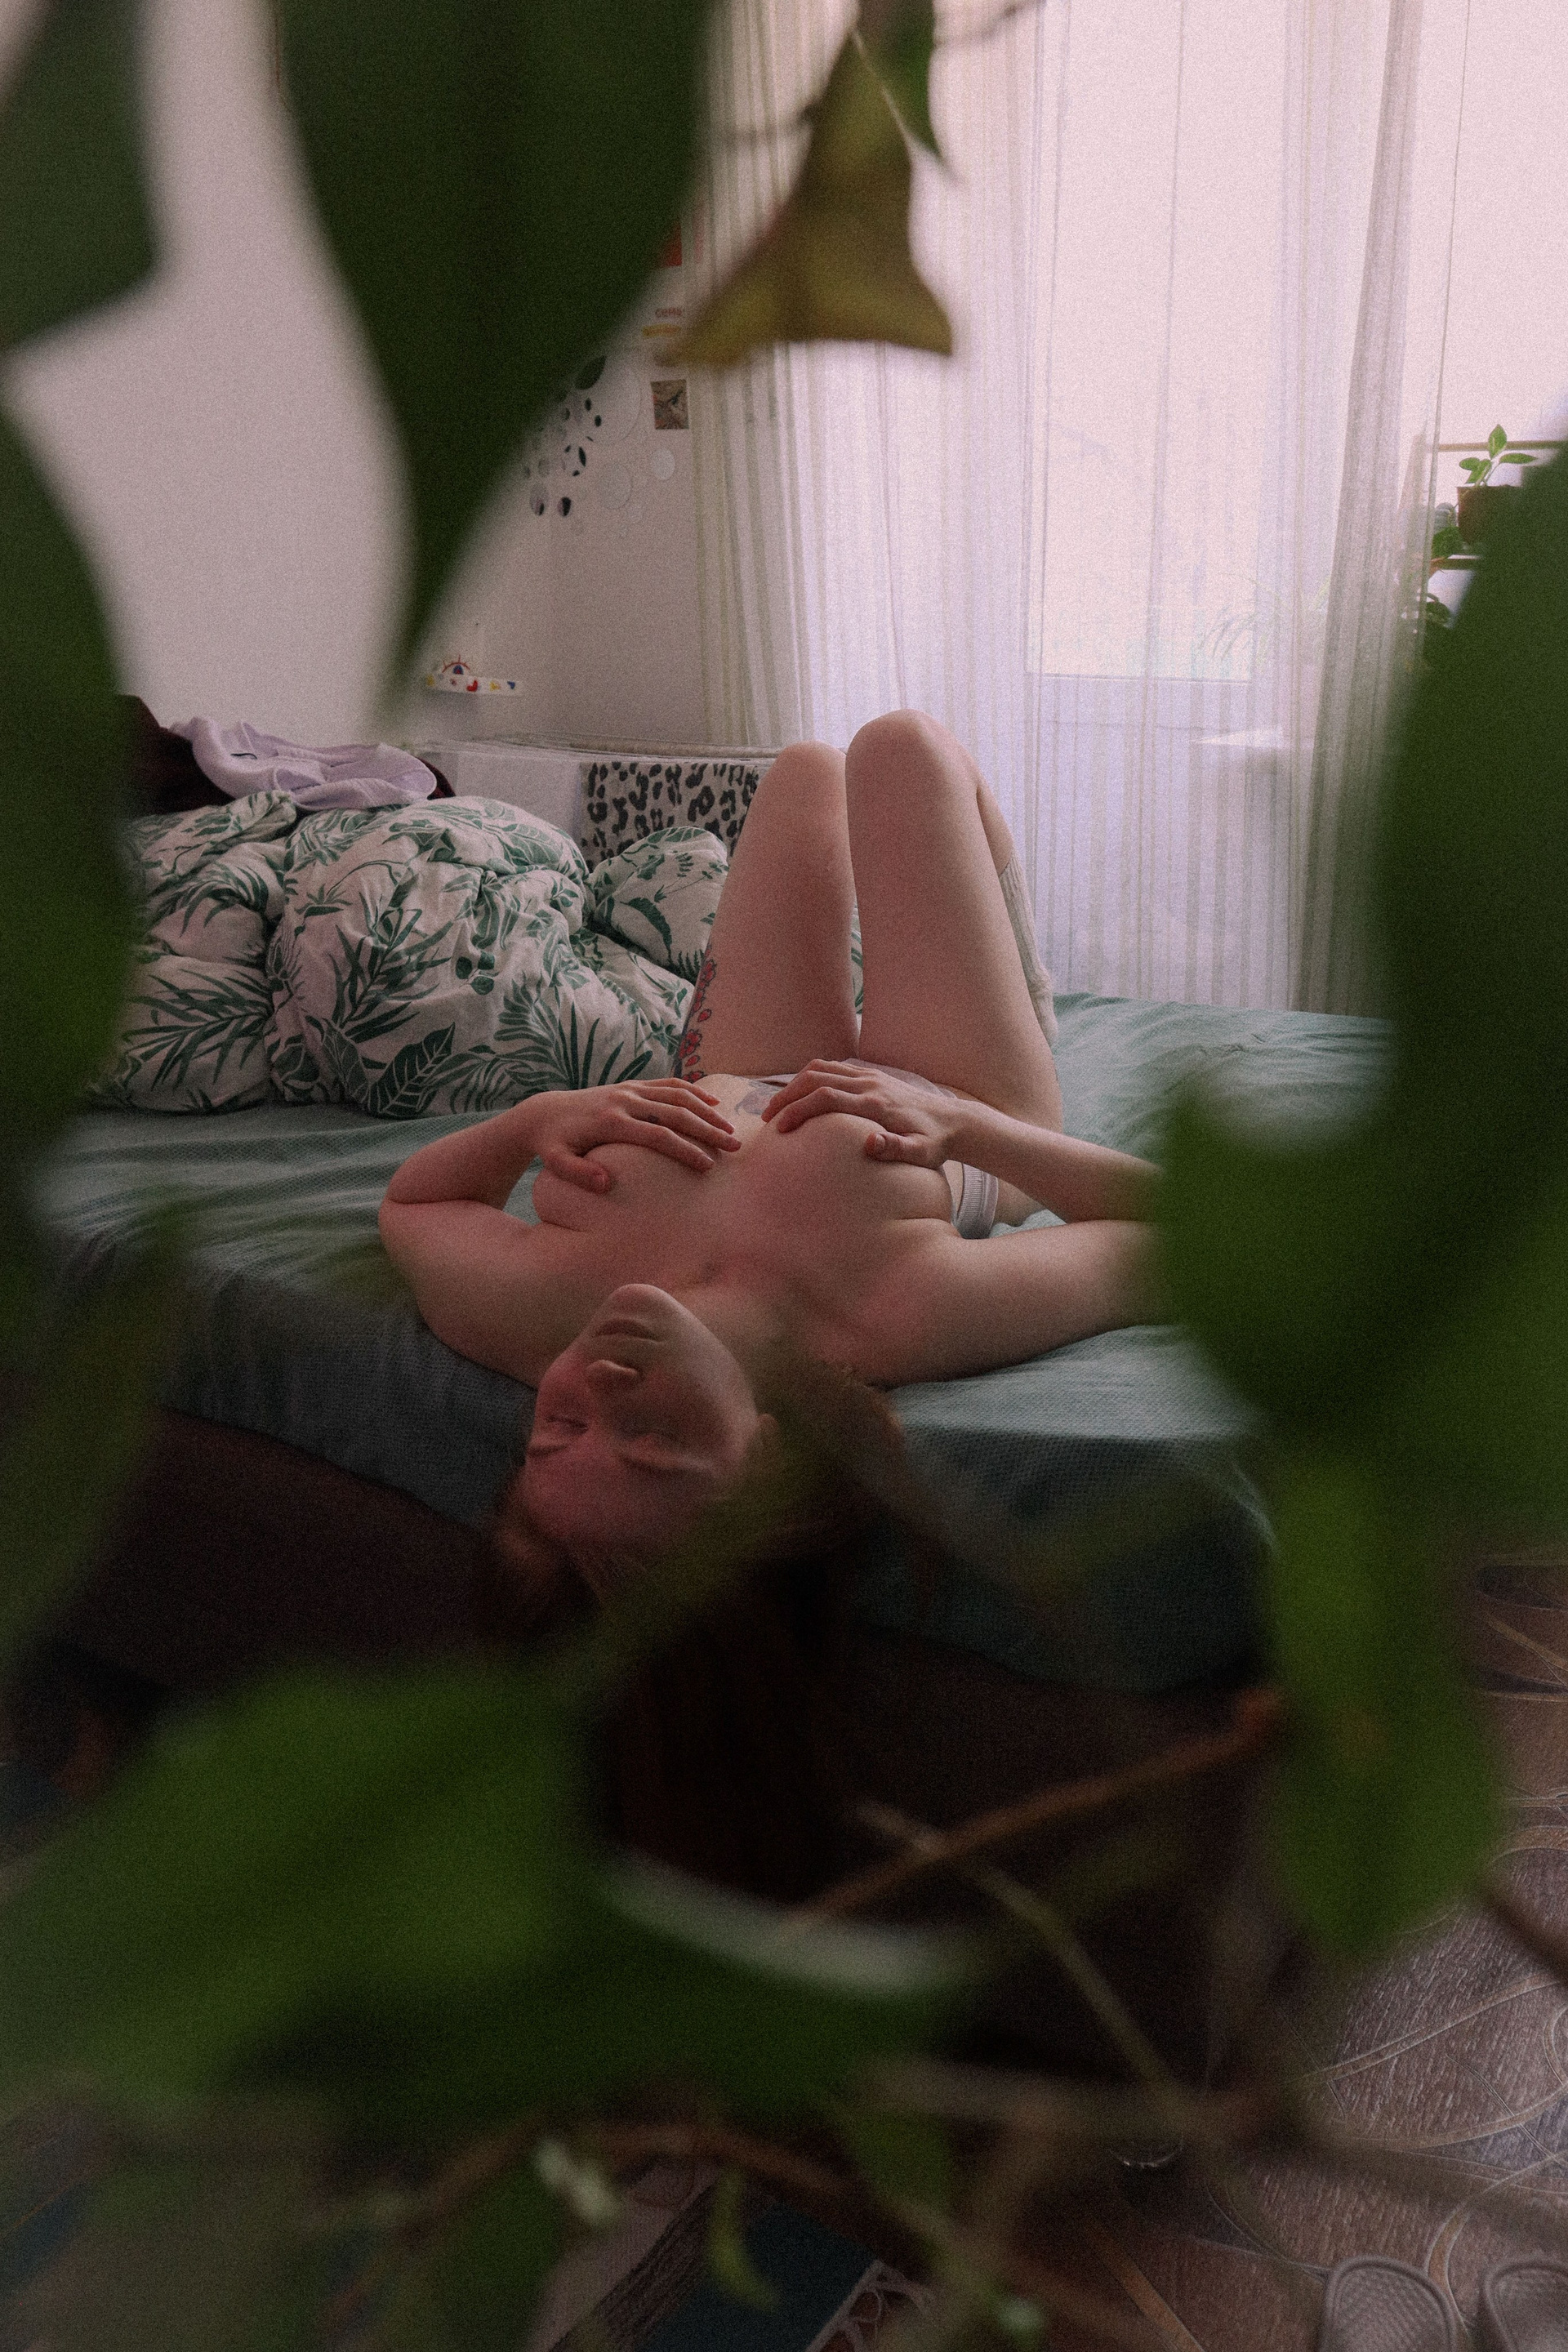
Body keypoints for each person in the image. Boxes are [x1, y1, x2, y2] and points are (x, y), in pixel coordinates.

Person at [381, 711, 1163, 1590]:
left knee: (804, 773)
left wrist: (535, 1120)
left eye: (558, 1428)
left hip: (746, 1071)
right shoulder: (896, 1316)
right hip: (958, 1093)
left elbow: (414, 1205)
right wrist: (971, 1129)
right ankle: (1023, 995)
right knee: (900, 751)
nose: (603, 1380)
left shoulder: (533, 1312)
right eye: (650, 1436)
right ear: (761, 1456)